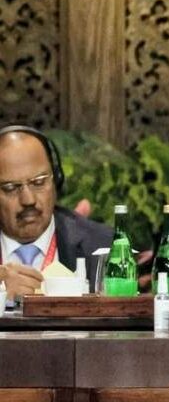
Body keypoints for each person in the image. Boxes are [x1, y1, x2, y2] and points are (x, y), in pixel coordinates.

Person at [0, 126, 112, 300]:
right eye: (11, 188)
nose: (28, 200)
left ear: (56, 179)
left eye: (38, 182)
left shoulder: (101, 246)